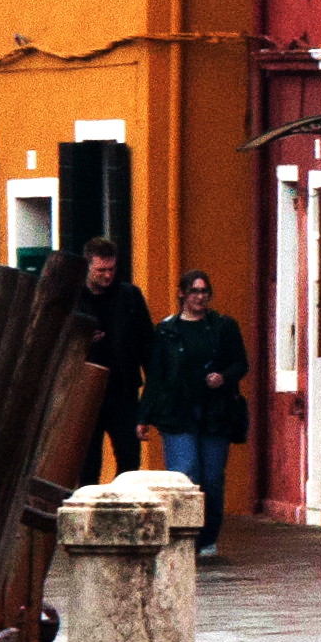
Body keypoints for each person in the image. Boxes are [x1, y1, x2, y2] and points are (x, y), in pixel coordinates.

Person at [143, 269, 250, 557]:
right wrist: (143, 416)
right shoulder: (166, 331)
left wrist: (223, 377)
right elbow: (155, 375)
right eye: (194, 292)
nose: (200, 297)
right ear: (182, 294)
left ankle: (207, 537)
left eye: (204, 292)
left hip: (215, 412)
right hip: (177, 412)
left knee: (212, 478)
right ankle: (184, 535)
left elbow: (241, 363)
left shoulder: (223, 327)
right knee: (185, 474)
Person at [71, 236, 158, 478]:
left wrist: (148, 401)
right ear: (87, 266)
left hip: (123, 390)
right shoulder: (74, 298)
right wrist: (82, 340)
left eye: (111, 269)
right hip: (84, 391)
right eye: (100, 270)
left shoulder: (129, 296)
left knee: (129, 460)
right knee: (86, 464)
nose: (107, 276)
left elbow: (147, 346)